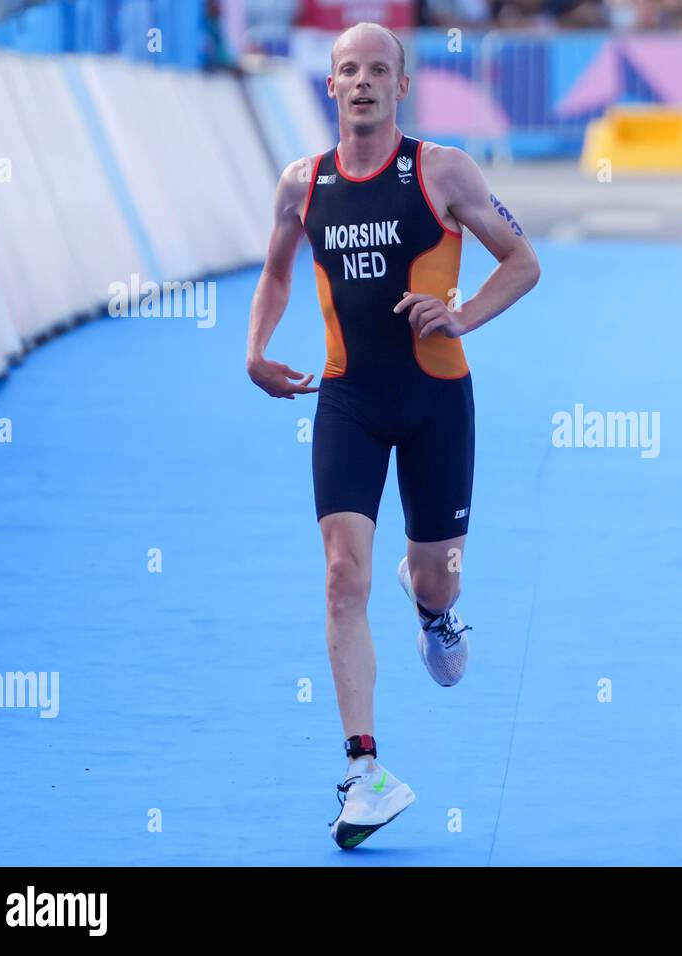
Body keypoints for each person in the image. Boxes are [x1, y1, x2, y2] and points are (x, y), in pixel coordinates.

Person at [245, 22, 540, 849]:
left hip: (436, 398)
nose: (364, 82)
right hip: (348, 399)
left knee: (435, 576)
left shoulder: (441, 170)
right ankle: (365, 771)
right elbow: (274, 271)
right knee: (343, 574)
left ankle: (437, 612)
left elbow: (522, 261)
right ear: (331, 86)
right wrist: (257, 348)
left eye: (380, 69)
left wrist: (462, 315)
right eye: (349, 71)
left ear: (401, 86)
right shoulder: (303, 185)